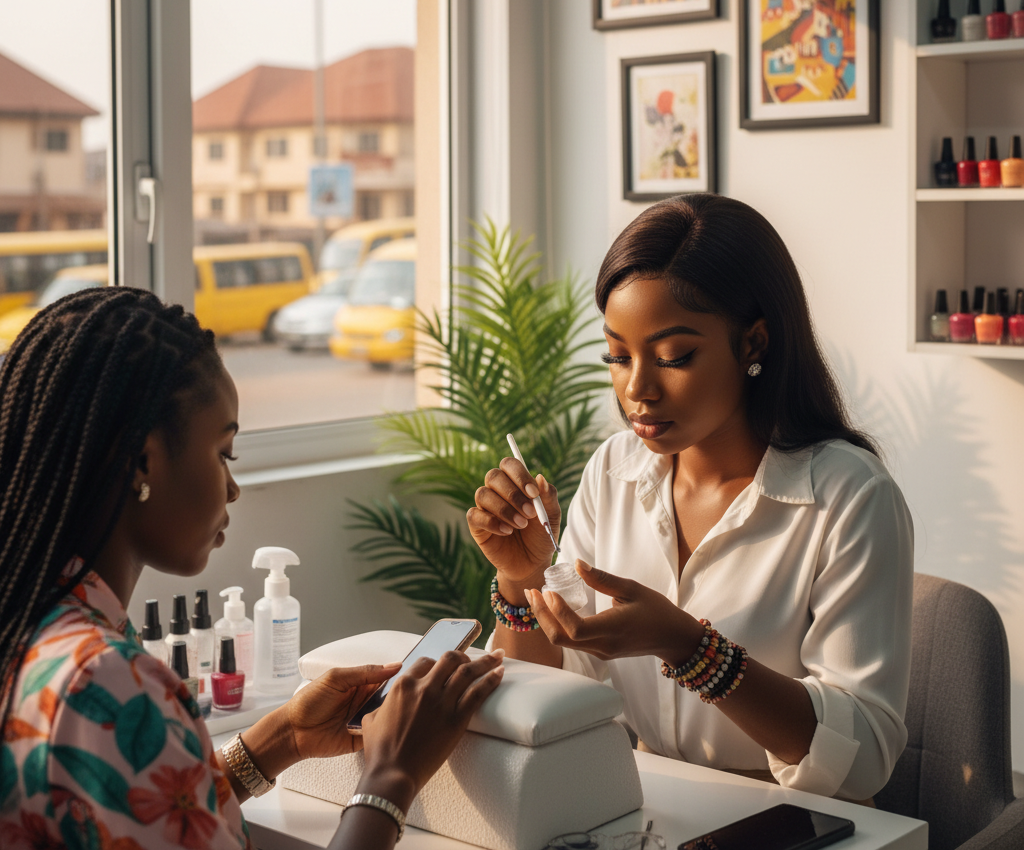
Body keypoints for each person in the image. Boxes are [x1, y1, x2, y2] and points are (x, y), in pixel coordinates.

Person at [0, 287, 503, 850]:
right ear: (142, 459)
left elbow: (132, 816)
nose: (233, 488)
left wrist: (282, 738)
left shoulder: (38, 627)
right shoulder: (106, 683)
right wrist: (391, 776)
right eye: (223, 454)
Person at [471, 193, 913, 805]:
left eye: (674, 356)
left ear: (753, 344)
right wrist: (520, 581)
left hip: (793, 824)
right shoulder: (613, 472)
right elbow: (551, 696)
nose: (637, 389)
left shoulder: (849, 498)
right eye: (617, 356)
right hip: (647, 806)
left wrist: (691, 647)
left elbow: (862, 761)